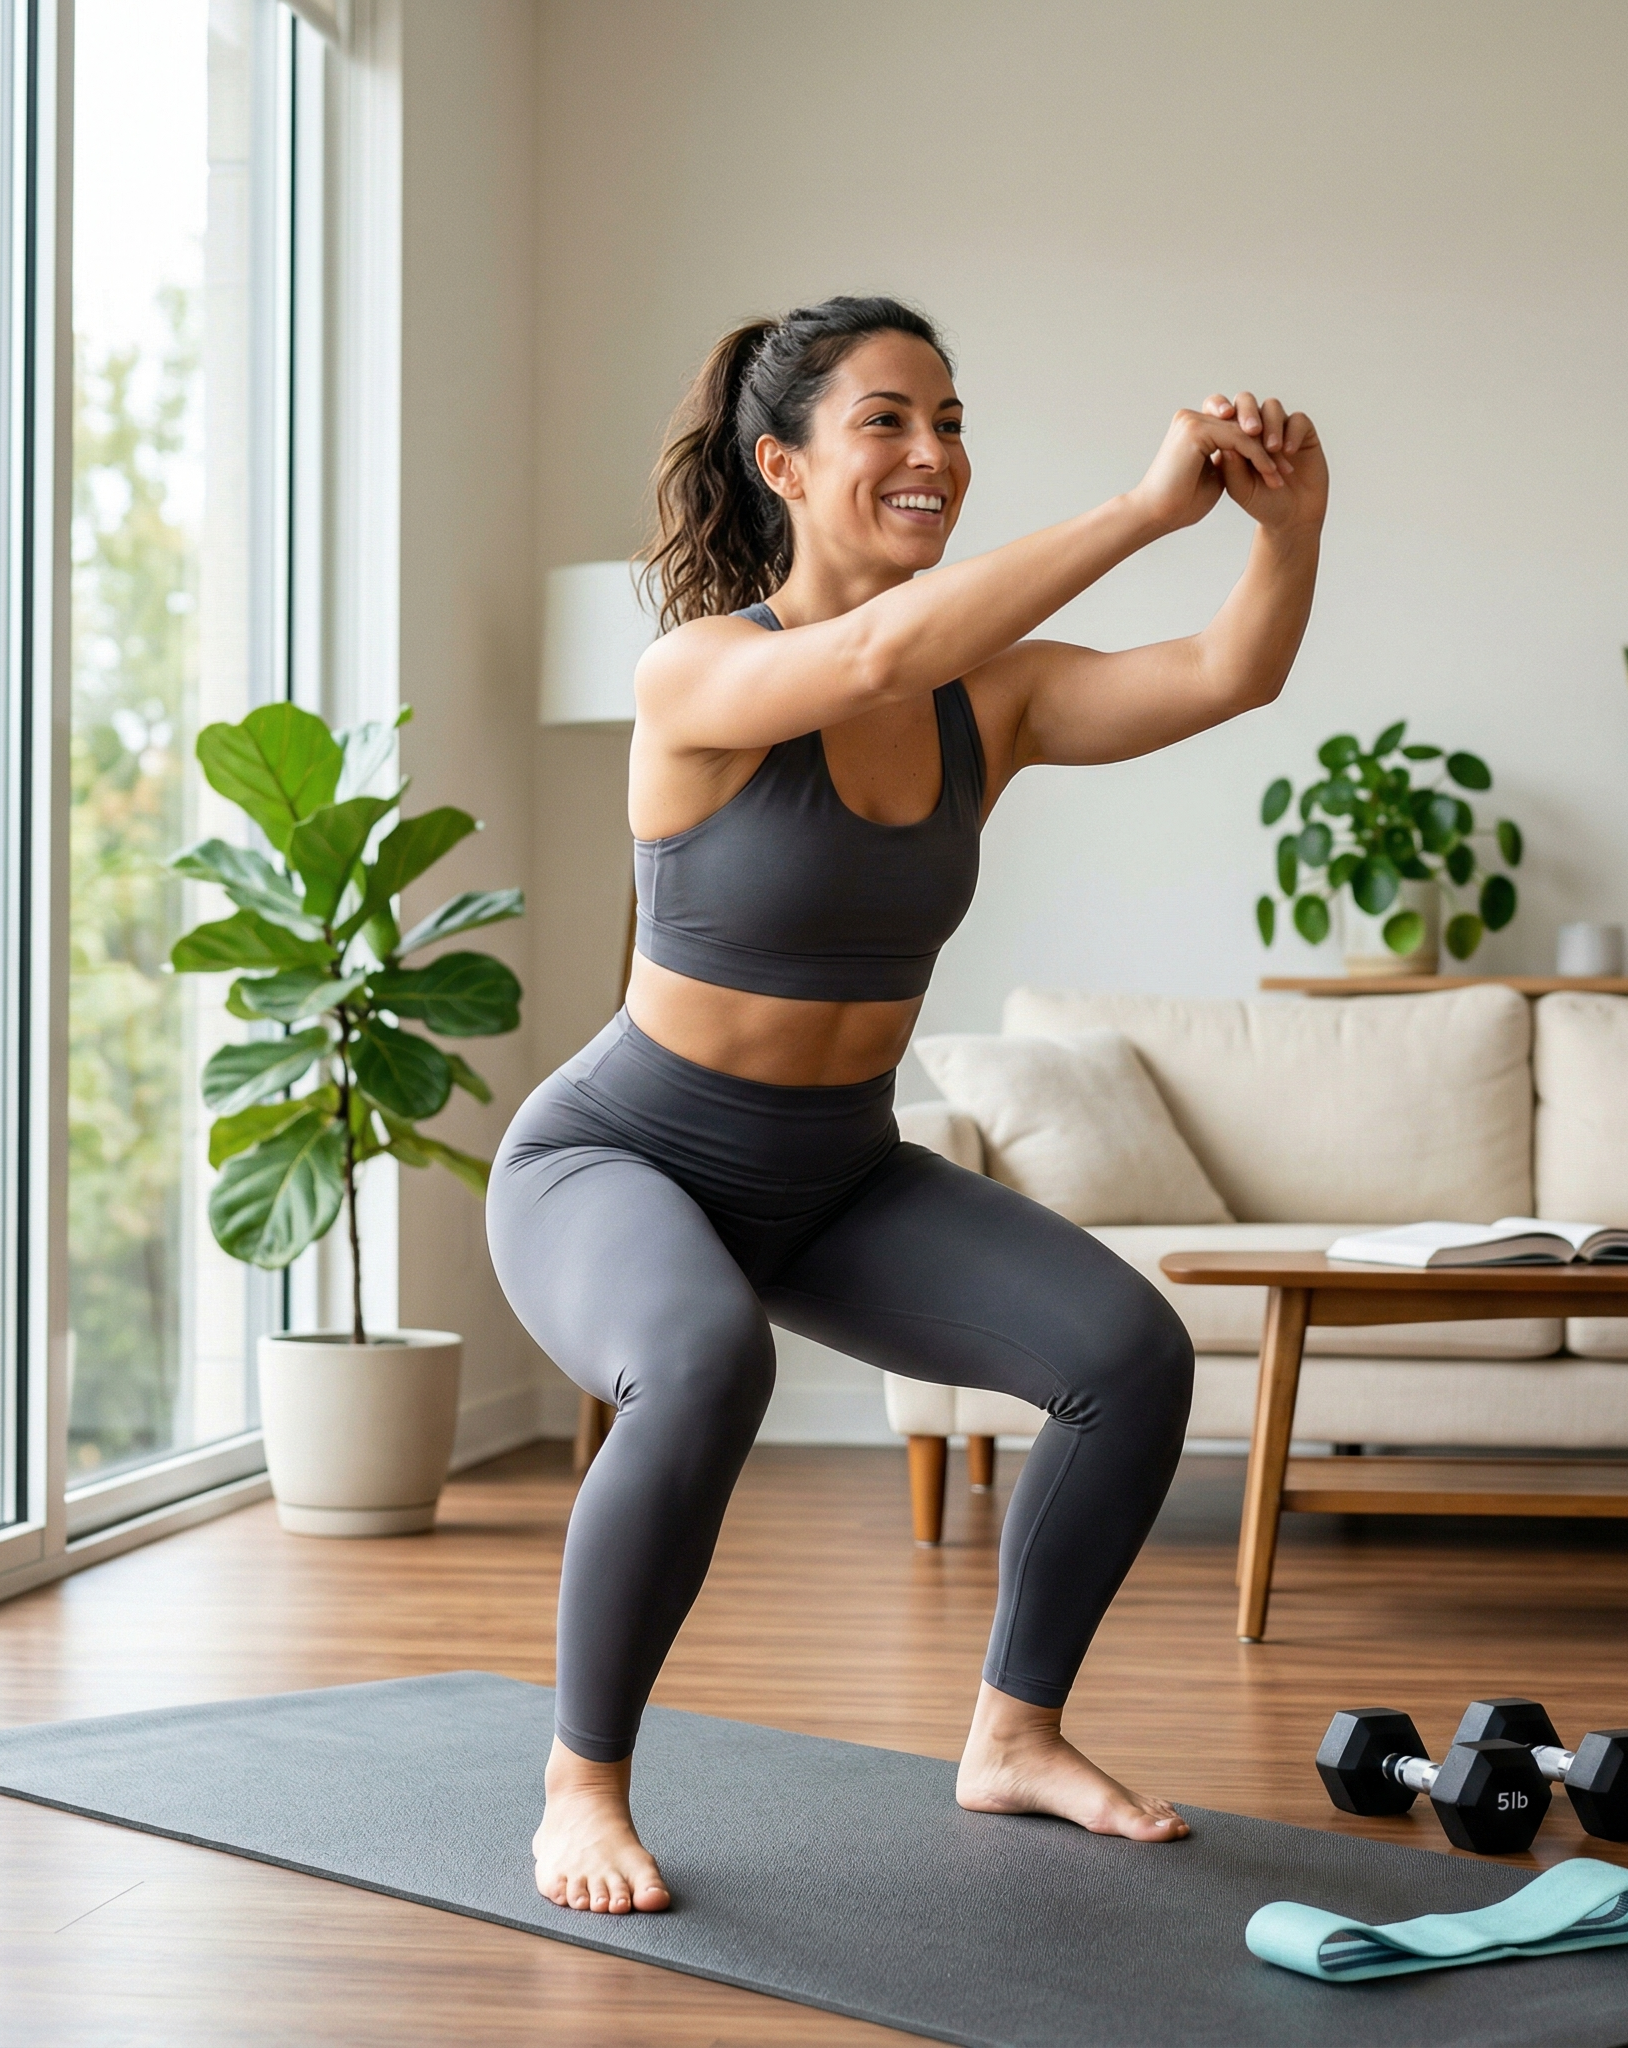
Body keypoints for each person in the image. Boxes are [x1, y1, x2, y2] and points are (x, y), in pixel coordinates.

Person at [488, 295, 1326, 1915]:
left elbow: (1232, 672)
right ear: (781, 464)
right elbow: (868, 648)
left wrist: (1288, 531)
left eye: (950, 418)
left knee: (1126, 1357)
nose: (936, 452)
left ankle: (1015, 1736)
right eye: (888, 420)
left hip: (836, 1172)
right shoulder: (701, 669)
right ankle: (580, 1783)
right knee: (702, 1360)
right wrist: (1149, 508)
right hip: (622, 1155)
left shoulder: (987, 698)